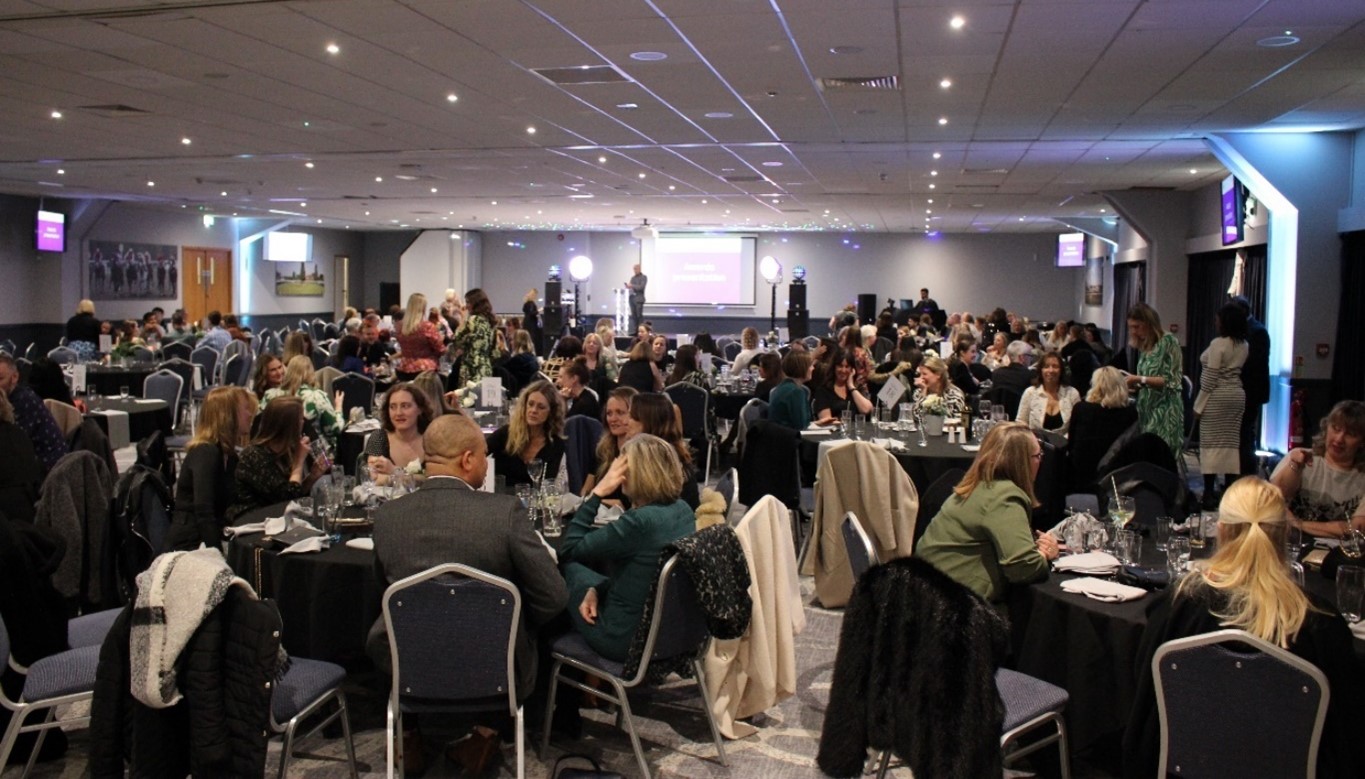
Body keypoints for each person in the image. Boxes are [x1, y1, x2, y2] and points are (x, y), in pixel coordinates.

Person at [1122, 477, 1364, 779]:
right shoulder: (1320, 624)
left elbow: (1147, 712)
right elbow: (1347, 736)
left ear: (1221, 531)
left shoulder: (1178, 607)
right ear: (1285, 534)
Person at [368, 413, 568, 773]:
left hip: (409, 663)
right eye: (484, 456)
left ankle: (410, 735)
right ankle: (487, 731)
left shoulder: (387, 518)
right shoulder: (504, 513)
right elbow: (553, 596)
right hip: (496, 665)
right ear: (468, 459)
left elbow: (383, 594)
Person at [560, 433, 697, 661]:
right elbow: (641, 576)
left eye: (623, 467)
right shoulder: (683, 510)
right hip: (670, 632)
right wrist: (597, 589)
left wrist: (597, 493)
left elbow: (570, 549)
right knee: (588, 579)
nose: (619, 475)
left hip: (624, 637)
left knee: (567, 570)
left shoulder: (640, 522)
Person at [913, 422, 1059, 604]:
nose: (1041, 461)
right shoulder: (1005, 496)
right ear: (1021, 461)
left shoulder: (976, 484)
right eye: (1038, 455)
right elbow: (1023, 568)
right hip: (955, 606)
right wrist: (1046, 553)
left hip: (924, 591)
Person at [163, 387, 256, 552]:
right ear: (228, 415)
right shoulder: (205, 452)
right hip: (189, 545)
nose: (250, 415)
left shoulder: (229, 455)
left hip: (207, 539)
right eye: (246, 409)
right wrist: (219, 556)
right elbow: (204, 512)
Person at [1270, 400, 1365, 538]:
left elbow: (1357, 529)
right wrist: (1295, 467)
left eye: (1350, 434)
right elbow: (1272, 498)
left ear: (1362, 442)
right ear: (1327, 428)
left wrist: (1297, 524)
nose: (1339, 439)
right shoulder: (1299, 456)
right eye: (1336, 429)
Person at [228, 396, 328, 519]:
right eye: (301, 418)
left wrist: (312, 477)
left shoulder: (284, 451)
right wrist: (299, 462)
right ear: (290, 425)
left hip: (274, 519)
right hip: (252, 521)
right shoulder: (254, 455)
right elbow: (286, 502)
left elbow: (293, 493)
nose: (304, 422)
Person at [1195, 303, 1249, 505]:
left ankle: (1208, 493)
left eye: (1218, 320)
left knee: (1210, 444)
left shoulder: (1219, 344)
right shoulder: (1244, 345)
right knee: (1230, 445)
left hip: (1217, 397)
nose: (1215, 323)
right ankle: (1228, 490)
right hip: (1236, 395)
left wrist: (1198, 406)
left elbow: (1210, 378)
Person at [1124, 302, 1184, 458]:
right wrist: (1136, 386)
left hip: (1164, 410)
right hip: (1147, 410)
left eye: (1137, 327)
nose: (1134, 331)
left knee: (1160, 456)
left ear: (1149, 324)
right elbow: (1147, 380)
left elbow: (1170, 380)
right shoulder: (1146, 346)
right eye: (1131, 327)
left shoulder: (1169, 342)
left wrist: (1139, 379)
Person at [1067, 366, 1139, 491]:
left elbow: (1071, 444)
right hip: (1113, 478)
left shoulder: (1081, 409)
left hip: (1079, 477)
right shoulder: (1131, 414)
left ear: (1095, 385)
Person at [625, 393, 701, 509]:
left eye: (631, 417)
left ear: (647, 422)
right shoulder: (662, 454)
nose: (626, 422)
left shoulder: (665, 464)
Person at [486, 380, 565, 487]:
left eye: (541, 407)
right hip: (501, 499)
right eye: (530, 404)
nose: (533, 410)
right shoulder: (506, 433)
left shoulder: (556, 444)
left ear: (551, 412)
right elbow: (479, 451)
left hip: (536, 501)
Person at [0, 354, 67, 473]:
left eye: (0, 379)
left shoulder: (23, 402)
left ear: (14, 377)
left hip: (49, 472)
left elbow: (10, 445)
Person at [261, 355, 343, 447]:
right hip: (313, 454)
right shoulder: (317, 397)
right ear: (310, 372)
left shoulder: (269, 395)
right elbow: (335, 430)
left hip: (277, 450)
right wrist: (338, 408)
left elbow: (260, 425)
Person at [1229, 296, 1270, 476]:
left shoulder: (1257, 331)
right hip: (1237, 392)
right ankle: (1235, 476)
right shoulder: (1240, 332)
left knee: (1245, 436)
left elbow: (1255, 364)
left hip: (1250, 392)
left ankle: (1246, 475)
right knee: (1237, 436)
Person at [364, 382, 435, 485]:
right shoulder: (378, 437)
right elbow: (374, 479)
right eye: (392, 407)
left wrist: (394, 472)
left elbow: (435, 480)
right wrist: (416, 478)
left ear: (420, 409)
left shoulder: (432, 440)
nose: (398, 413)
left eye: (405, 406)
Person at [582, 387, 638, 497]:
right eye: (609, 413)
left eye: (620, 413)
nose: (613, 419)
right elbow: (586, 490)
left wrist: (593, 501)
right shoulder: (602, 450)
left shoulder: (642, 453)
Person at [1016, 352, 1081, 433]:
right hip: (1036, 443)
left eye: (1055, 366)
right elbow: (1021, 423)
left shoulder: (1072, 393)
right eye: (1046, 366)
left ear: (1061, 370)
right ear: (1040, 370)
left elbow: (1079, 426)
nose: (1051, 370)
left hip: (1065, 444)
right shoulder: (1030, 393)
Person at [812, 349, 875, 425]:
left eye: (847, 366)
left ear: (852, 370)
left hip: (859, 432)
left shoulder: (858, 387)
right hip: (835, 433)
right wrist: (844, 424)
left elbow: (866, 410)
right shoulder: (823, 390)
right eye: (840, 366)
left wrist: (851, 387)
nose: (843, 370)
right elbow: (826, 420)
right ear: (834, 368)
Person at [452, 288, 498, 385]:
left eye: (468, 302)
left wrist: (463, 317)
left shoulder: (472, 320)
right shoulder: (491, 322)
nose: (466, 306)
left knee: (468, 398)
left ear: (475, 303)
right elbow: (494, 352)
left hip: (471, 368)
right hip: (486, 368)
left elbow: (456, 339)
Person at [394, 292, 444, 381]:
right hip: (424, 370)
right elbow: (440, 349)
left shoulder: (401, 326)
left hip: (403, 368)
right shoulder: (427, 326)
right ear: (423, 308)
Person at [910, 354, 966, 420]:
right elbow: (916, 418)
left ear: (938, 374)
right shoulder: (919, 392)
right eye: (920, 374)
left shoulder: (954, 394)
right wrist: (923, 394)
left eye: (924, 374)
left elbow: (949, 419)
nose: (921, 377)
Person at [768, 350, 813, 431]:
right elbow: (801, 426)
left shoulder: (783, 387)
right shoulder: (795, 392)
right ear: (802, 367)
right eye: (810, 365)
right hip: (789, 440)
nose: (813, 368)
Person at [501, 329, 540, 393]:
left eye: (513, 340)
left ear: (517, 342)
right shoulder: (533, 359)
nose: (511, 343)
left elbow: (500, 372)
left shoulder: (517, 360)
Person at [626, 263, 647, 332]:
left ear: (639, 269)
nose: (635, 270)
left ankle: (641, 331)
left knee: (639, 316)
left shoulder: (643, 277)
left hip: (639, 299)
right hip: (632, 298)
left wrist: (632, 285)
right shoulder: (633, 278)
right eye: (634, 269)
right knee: (634, 316)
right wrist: (628, 287)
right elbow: (631, 287)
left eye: (636, 269)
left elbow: (641, 287)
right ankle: (635, 331)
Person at [522, 288, 542, 353]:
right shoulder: (531, 303)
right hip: (531, 323)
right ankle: (530, 352)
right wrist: (539, 310)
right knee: (531, 339)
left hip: (527, 322)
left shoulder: (526, 303)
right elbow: (532, 313)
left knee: (527, 338)